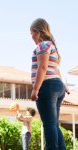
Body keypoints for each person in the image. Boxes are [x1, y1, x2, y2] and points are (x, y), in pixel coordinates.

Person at [30, 18, 67, 150]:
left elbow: (43, 68)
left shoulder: (42, 45)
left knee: (49, 124)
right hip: (57, 85)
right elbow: (55, 69)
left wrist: (35, 89)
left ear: (37, 32)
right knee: (54, 124)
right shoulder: (52, 47)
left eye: (32, 34)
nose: (32, 37)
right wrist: (65, 87)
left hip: (47, 86)